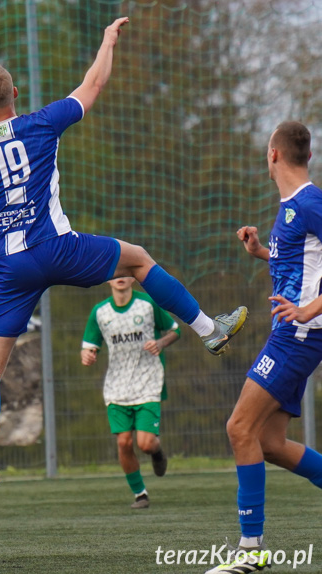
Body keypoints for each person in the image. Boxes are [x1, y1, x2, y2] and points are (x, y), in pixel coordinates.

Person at [0, 17, 247, 520]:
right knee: (139, 258)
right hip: (59, 248)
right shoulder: (42, 121)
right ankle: (210, 329)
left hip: (9, 268)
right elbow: (94, 84)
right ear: (15, 92)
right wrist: (106, 40)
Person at [204, 122, 322, 574]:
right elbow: (301, 260)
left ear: (274, 154)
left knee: (239, 428)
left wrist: (310, 310)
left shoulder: (310, 202)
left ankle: (251, 550)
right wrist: (261, 253)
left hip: (298, 336)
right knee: (269, 443)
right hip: (293, 334)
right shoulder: (291, 207)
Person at [81, 277, 180, 509]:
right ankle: (140, 494)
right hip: (117, 386)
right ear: (107, 279)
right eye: (115, 273)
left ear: (133, 277)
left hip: (148, 381)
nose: (120, 277)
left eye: (125, 271)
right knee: (124, 442)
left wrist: (161, 343)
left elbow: (176, 330)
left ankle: (157, 453)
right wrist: (87, 356)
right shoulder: (100, 312)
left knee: (145, 443)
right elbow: (88, 347)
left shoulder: (147, 304)